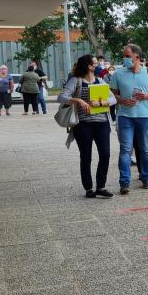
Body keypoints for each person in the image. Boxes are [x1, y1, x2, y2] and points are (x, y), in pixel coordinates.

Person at [58, 54, 116, 198]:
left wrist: (101, 103)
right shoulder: (75, 81)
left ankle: (101, 187)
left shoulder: (100, 81)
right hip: (83, 124)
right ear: (89, 66)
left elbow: (113, 99)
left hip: (102, 123)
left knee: (105, 154)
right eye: (96, 63)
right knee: (86, 156)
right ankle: (89, 188)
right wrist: (77, 100)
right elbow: (61, 97)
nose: (98, 65)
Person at [110, 44, 148, 195]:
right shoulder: (118, 74)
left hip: (144, 116)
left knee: (145, 149)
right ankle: (124, 182)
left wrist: (146, 96)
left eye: (127, 56)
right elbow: (112, 94)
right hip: (125, 117)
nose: (125, 59)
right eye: (124, 56)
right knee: (125, 149)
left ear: (137, 57)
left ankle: (146, 178)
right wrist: (121, 100)